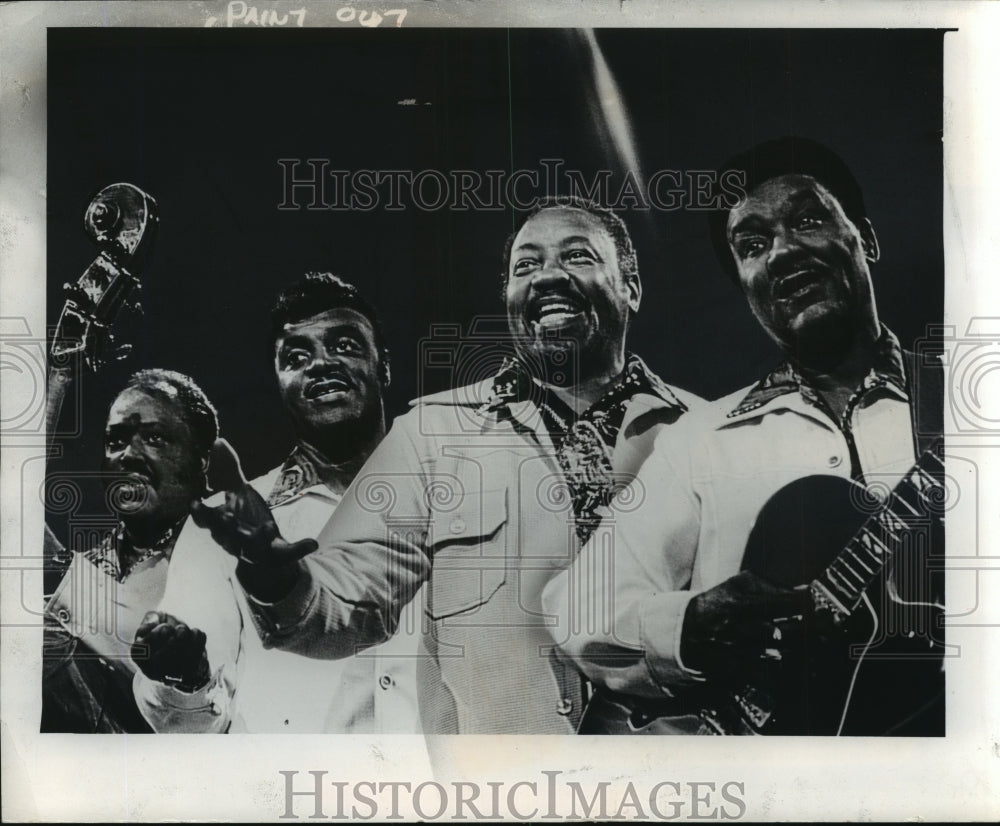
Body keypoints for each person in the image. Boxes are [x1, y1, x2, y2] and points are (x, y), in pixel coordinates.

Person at [188, 197, 703, 734]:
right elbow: (342, 605)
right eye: (525, 265)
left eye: (577, 256)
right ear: (508, 298)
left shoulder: (706, 435)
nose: (548, 276)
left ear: (631, 287)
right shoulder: (430, 435)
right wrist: (274, 576)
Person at [543, 137, 945, 736]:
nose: (781, 253)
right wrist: (689, 626)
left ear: (866, 237)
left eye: (808, 219)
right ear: (748, 287)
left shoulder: (967, 412)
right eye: (752, 246)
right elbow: (578, 603)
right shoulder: (701, 440)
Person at [130, 273, 424, 734]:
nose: (321, 365)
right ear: (279, 381)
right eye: (297, 357)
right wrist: (182, 675)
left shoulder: (456, 507)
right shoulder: (227, 526)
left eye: (344, 345)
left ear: (384, 365)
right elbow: (189, 724)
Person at [41, 369, 218, 732]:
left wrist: (56, 565)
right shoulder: (89, 564)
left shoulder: (233, 561)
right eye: (115, 441)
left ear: (202, 460)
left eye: (154, 438)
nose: (129, 455)